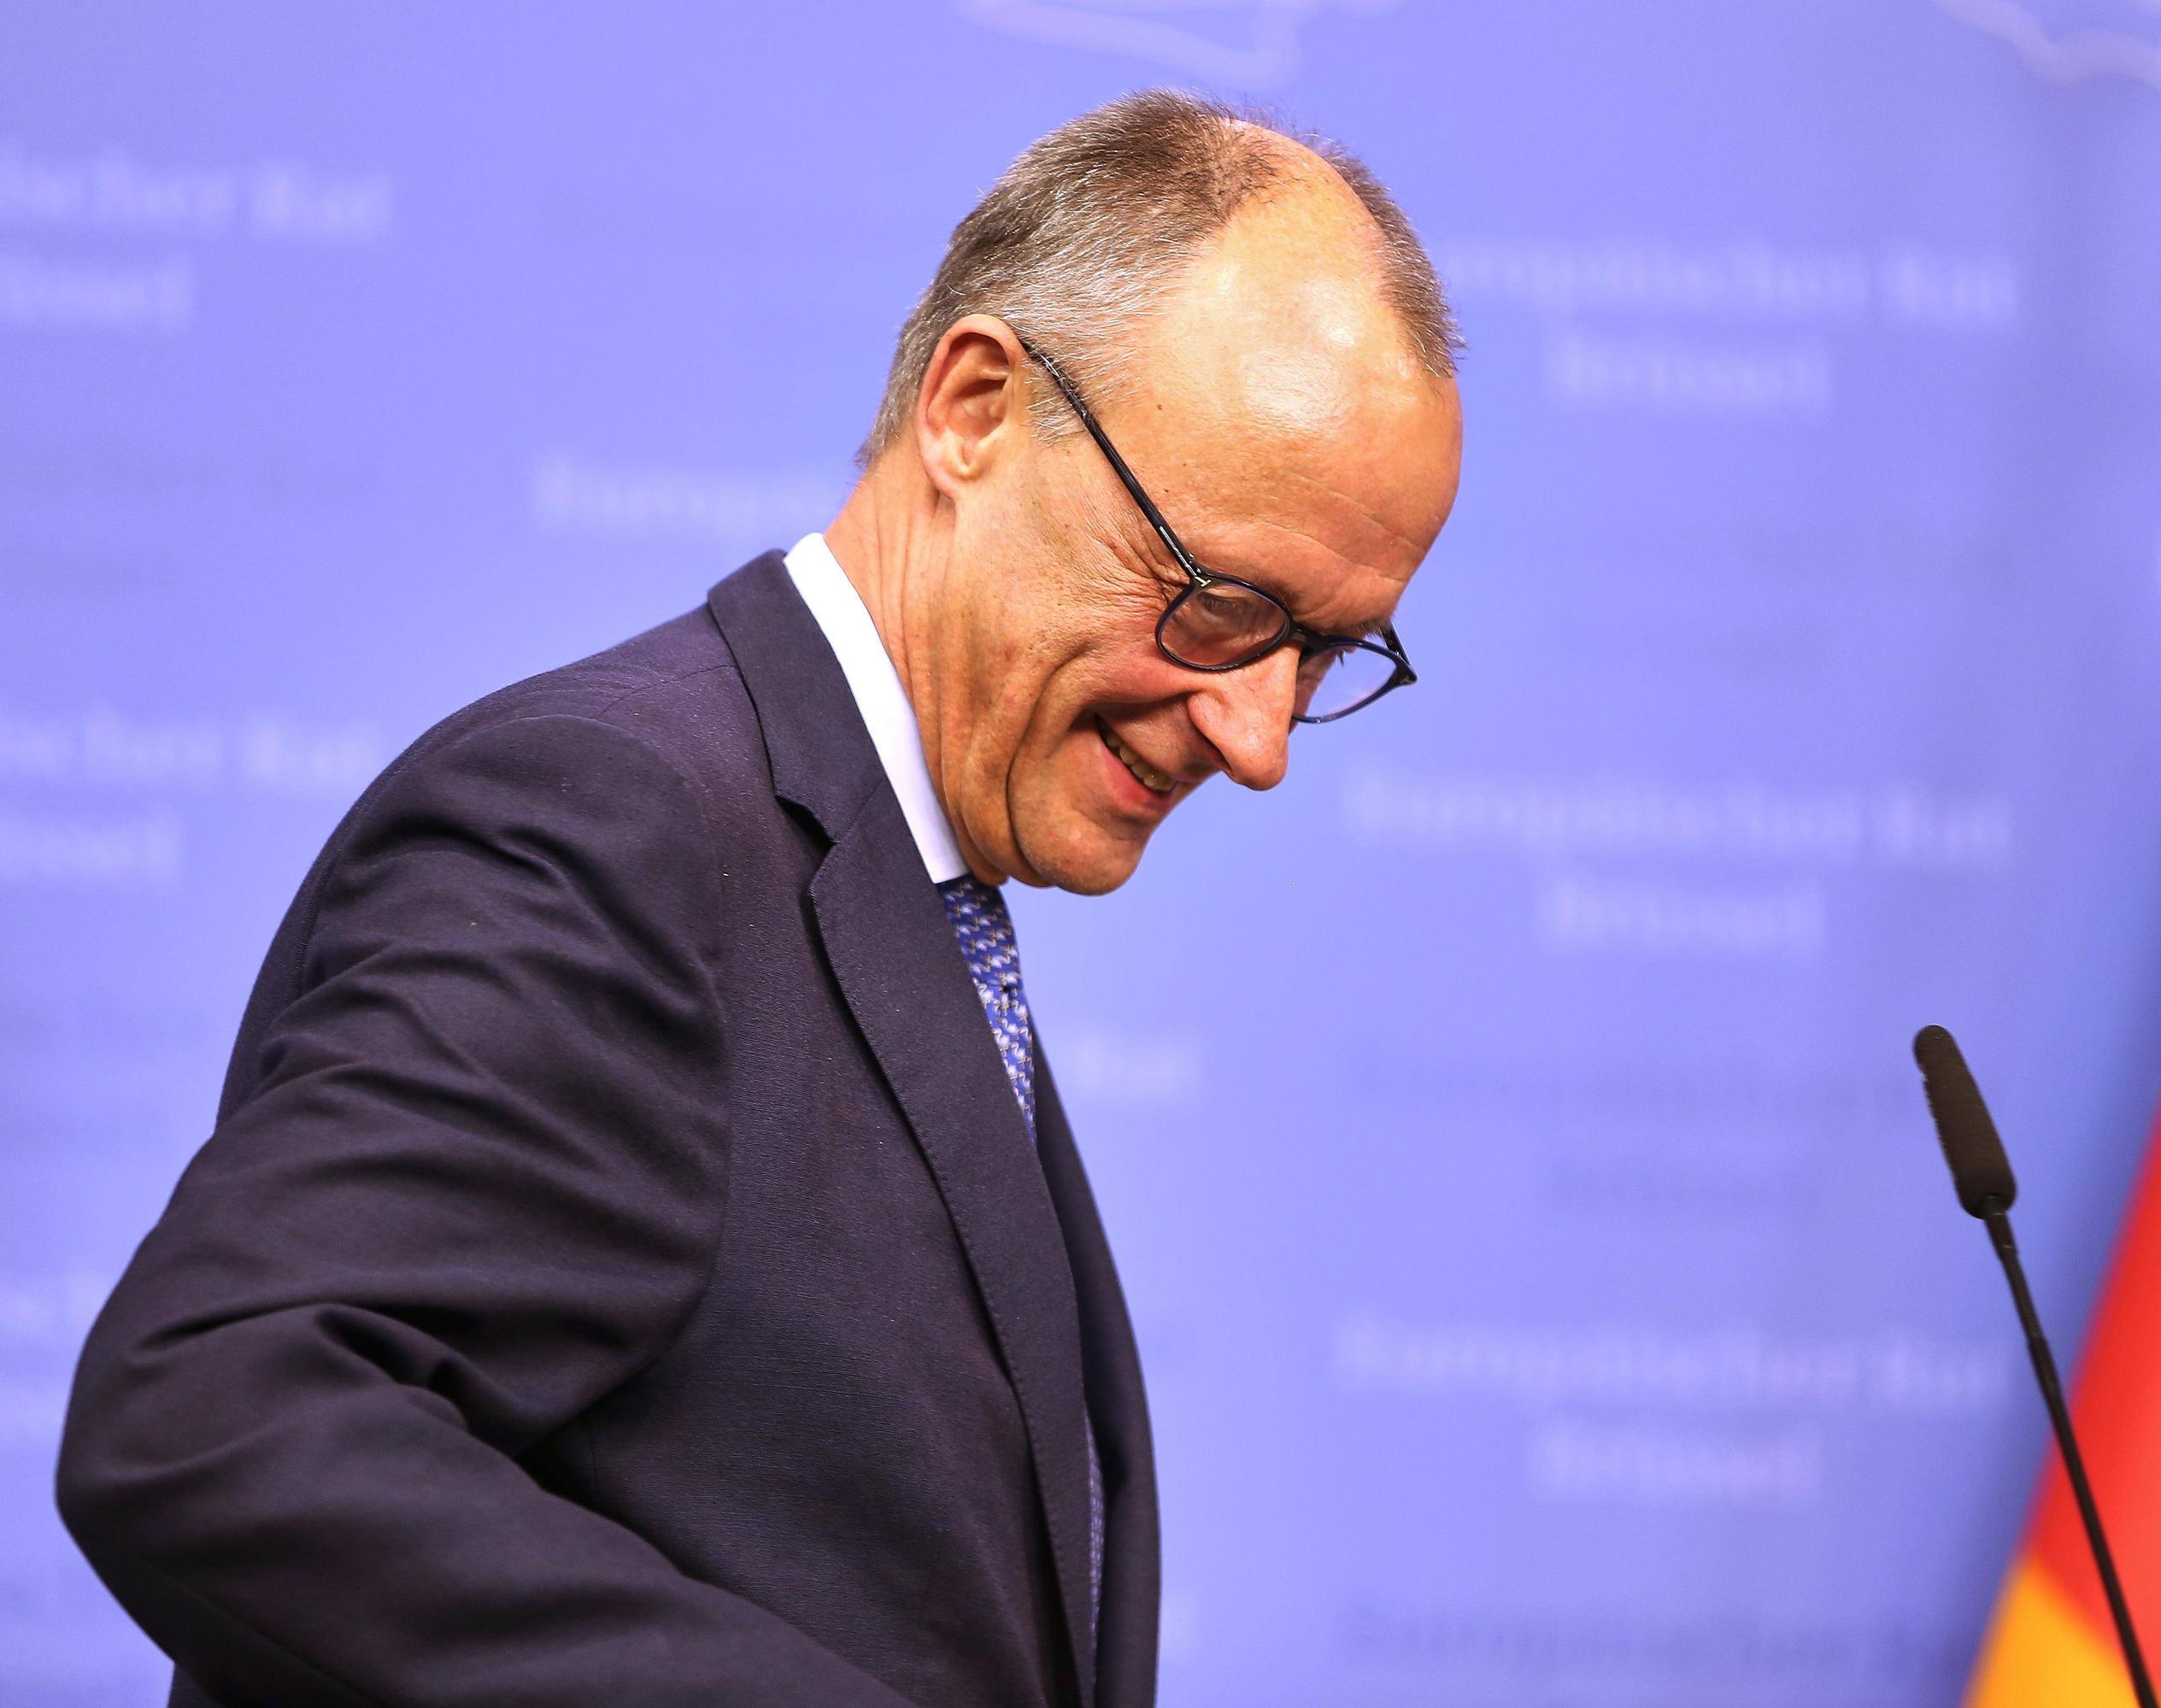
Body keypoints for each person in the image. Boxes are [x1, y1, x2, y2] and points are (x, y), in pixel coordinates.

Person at [54, 91, 1463, 1708]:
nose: (1261, 740)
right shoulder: (616, 826)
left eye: (1325, 653)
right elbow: (218, 1410)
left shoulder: (896, 886)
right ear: (976, 409)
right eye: (1219, 605)